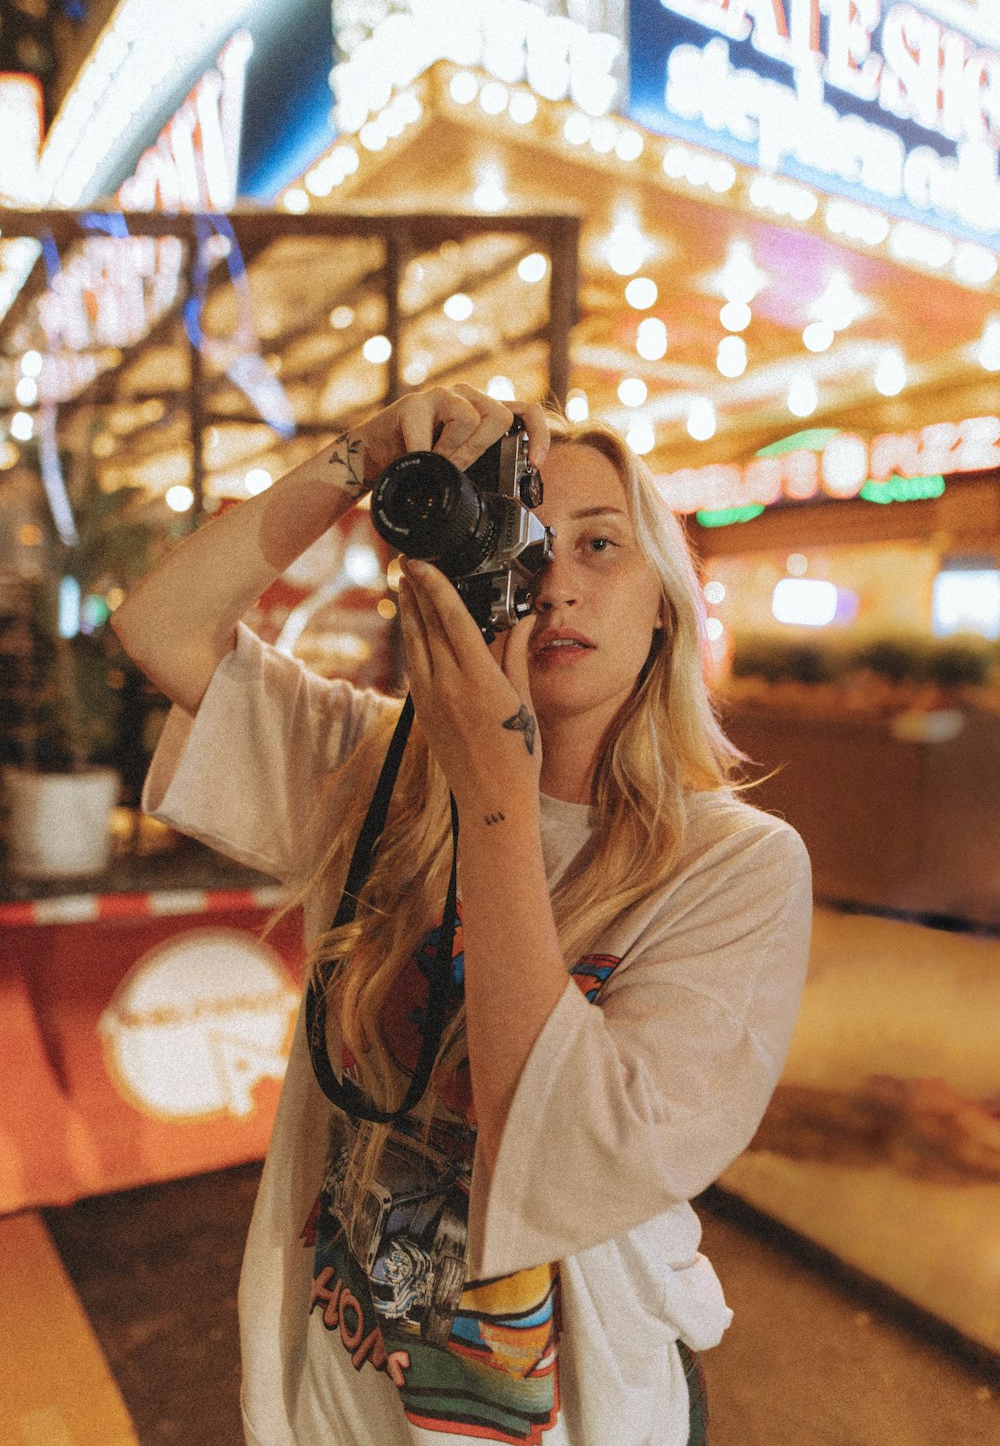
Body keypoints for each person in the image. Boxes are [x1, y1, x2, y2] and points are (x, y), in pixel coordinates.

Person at [113, 384, 812, 1446]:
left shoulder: (734, 869)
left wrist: (494, 788)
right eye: (524, 547)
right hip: (337, 1401)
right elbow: (157, 624)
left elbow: (573, 1145)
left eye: (600, 547)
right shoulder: (390, 767)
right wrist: (370, 455)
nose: (555, 587)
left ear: (665, 599)